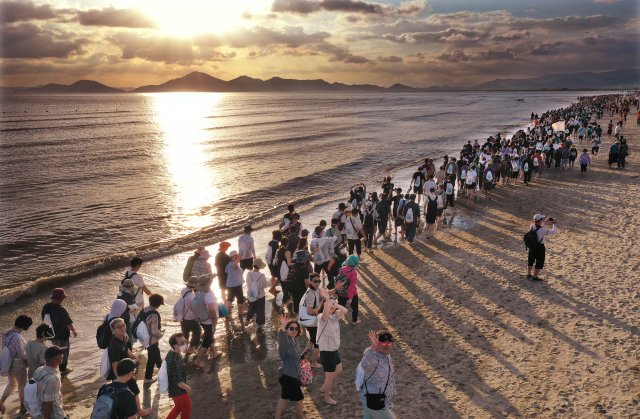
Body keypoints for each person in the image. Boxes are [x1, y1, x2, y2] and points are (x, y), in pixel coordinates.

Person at [106, 318, 150, 416]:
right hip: (122, 375)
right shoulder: (114, 345)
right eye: (118, 327)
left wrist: (135, 357)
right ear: (113, 330)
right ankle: (139, 411)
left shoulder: (122, 338)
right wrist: (121, 381)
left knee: (129, 393)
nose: (122, 328)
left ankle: (130, 411)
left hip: (126, 372)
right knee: (135, 391)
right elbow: (114, 365)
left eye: (123, 325)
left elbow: (126, 350)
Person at [317, 293, 348, 406]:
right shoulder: (321, 317)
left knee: (339, 370)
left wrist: (335, 304)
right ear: (324, 304)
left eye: (333, 305)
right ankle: (326, 397)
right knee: (329, 377)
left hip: (334, 349)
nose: (332, 307)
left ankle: (325, 387)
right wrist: (327, 300)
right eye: (329, 304)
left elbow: (345, 311)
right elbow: (325, 315)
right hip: (326, 351)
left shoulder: (335, 316)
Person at [275, 314, 308, 419]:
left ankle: (277, 417)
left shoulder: (294, 341)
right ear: (287, 330)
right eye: (291, 328)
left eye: (296, 329)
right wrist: (283, 327)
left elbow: (294, 356)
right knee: (299, 399)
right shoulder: (286, 341)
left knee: (284, 397)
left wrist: (302, 356)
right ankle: (301, 417)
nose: (294, 330)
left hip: (290, 375)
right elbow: (281, 339)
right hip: (288, 375)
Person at [359, 331, 397, 419]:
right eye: (383, 342)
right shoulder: (373, 356)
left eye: (389, 343)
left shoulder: (387, 355)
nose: (387, 345)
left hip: (377, 400)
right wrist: (373, 347)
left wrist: (392, 392)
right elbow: (365, 364)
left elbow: (389, 376)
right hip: (375, 400)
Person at [1, 315, 32, 418]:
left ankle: (1, 402)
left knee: (12, 383)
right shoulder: (17, 337)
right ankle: (23, 408)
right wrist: (27, 361)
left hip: (7, 363)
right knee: (22, 386)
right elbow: (21, 353)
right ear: (24, 326)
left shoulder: (5, 333)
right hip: (17, 364)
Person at [31, 346, 74, 419]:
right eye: (61, 354)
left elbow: (44, 395)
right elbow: (47, 404)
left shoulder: (39, 370)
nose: (63, 356)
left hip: (39, 413)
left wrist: (62, 406)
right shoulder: (53, 378)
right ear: (55, 359)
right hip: (55, 415)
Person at [41, 289, 76, 375]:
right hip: (62, 335)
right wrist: (73, 330)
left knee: (56, 350)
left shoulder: (46, 307)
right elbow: (68, 323)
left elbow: (43, 319)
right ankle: (63, 369)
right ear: (61, 298)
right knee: (63, 351)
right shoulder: (61, 310)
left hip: (51, 334)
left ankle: (55, 366)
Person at [193, 275, 221, 368]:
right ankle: (198, 360)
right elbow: (211, 309)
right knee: (207, 339)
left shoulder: (198, 292)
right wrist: (215, 318)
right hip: (209, 320)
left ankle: (214, 352)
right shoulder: (209, 294)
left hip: (202, 319)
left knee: (209, 335)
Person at [165, 333, 191, 419]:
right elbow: (177, 380)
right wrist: (186, 387)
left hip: (172, 390)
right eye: (182, 342)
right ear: (175, 346)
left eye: (185, 341)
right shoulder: (177, 359)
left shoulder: (171, 353)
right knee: (186, 408)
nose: (184, 344)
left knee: (177, 408)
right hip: (179, 391)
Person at [527, 214, 557, 281]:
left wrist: (545, 222)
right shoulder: (543, 230)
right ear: (539, 220)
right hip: (540, 247)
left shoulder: (531, 226)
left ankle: (529, 274)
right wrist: (554, 224)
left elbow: (537, 225)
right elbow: (553, 232)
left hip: (532, 246)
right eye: (542, 220)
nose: (542, 221)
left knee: (531, 260)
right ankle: (535, 276)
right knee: (539, 262)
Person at [301, 273, 322, 368]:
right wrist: (320, 310)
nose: (317, 283)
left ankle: (303, 357)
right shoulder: (311, 294)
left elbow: (326, 292)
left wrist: (336, 289)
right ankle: (314, 363)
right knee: (317, 342)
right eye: (315, 281)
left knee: (312, 340)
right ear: (310, 282)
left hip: (310, 322)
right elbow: (309, 311)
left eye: (319, 281)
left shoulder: (314, 290)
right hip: (312, 322)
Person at [143, 294, 164, 383]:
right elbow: (154, 332)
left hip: (144, 338)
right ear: (159, 305)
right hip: (152, 340)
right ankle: (148, 378)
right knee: (151, 358)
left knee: (156, 352)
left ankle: (161, 368)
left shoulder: (145, 310)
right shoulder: (154, 315)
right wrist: (162, 334)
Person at [335, 255, 361, 325]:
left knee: (340, 306)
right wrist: (350, 298)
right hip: (352, 294)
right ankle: (354, 321)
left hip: (341, 292)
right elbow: (351, 286)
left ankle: (336, 319)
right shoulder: (353, 272)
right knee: (354, 308)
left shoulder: (341, 269)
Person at [178, 276, 200, 354]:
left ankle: (184, 349)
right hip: (190, 317)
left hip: (182, 317)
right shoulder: (192, 295)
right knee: (197, 332)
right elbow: (194, 308)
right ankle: (191, 348)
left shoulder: (184, 290)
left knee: (185, 333)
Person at [245, 258, 268, 330]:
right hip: (260, 296)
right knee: (260, 310)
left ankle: (247, 320)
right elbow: (265, 286)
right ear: (260, 266)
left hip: (251, 294)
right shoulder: (262, 275)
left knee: (251, 308)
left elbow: (247, 282)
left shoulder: (248, 274)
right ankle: (259, 325)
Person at [225, 250, 246, 317]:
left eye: (236, 256)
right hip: (235, 285)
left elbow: (226, 271)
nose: (236, 257)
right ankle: (240, 312)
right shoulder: (232, 264)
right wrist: (238, 261)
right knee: (239, 298)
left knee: (230, 299)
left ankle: (226, 313)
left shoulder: (229, 264)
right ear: (231, 257)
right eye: (234, 257)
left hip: (231, 284)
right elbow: (234, 266)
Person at [266, 230, 283, 295]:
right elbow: (270, 254)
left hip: (270, 262)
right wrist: (269, 262)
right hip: (272, 262)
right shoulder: (274, 244)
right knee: (277, 276)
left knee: (273, 276)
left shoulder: (271, 243)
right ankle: (272, 289)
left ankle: (274, 289)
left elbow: (268, 254)